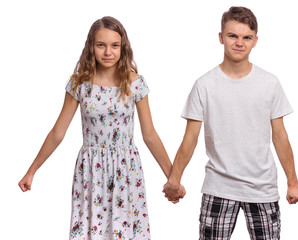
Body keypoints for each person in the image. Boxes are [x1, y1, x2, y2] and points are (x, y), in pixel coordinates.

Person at [18, 16, 185, 240]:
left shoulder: (135, 83)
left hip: (125, 170)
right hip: (91, 171)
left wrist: (173, 179)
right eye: (101, 45)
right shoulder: (79, 84)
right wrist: (32, 170)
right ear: (91, 47)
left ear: (122, 47)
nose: (108, 52)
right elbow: (58, 132)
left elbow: (150, 136)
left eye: (114, 45)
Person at [163, 6, 298, 240]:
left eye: (246, 37)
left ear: (255, 41)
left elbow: (280, 136)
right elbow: (190, 138)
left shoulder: (269, 83)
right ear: (221, 37)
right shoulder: (204, 85)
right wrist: (174, 179)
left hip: (262, 188)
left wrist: (293, 182)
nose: (240, 42)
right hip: (218, 186)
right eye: (233, 36)